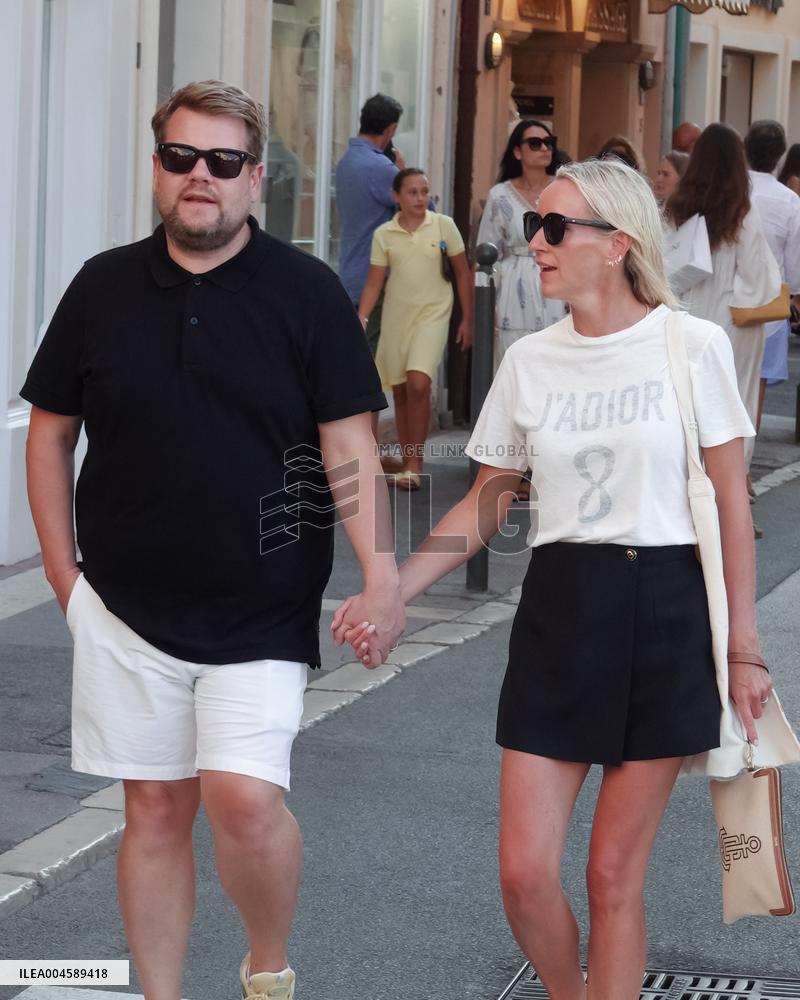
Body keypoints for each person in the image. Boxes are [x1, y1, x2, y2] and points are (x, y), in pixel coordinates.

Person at [335, 157, 771, 999]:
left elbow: (728, 498)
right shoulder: (531, 361)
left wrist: (744, 649)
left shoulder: (692, 346)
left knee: (612, 878)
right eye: (536, 224)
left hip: (665, 609)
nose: (535, 241)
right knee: (524, 875)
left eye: (555, 227)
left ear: (618, 244)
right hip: (560, 610)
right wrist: (392, 592)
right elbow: (489, 499)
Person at [21, 80, 405, 1000]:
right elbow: (50, 433)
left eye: (224, 160)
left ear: (255, 178)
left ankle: (267, 966)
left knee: (244, 801)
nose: (202, 175)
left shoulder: (306, 294)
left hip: (263, 605)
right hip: (124, 609)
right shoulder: (101, 286)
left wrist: (380, 573)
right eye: (181, 156)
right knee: (154, 810)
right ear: (158, 168)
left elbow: (348, 445)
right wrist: (66, 578)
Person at [664, 123, 781, 486]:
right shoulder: (741, 211)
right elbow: (757, 275)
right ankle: (727, 485)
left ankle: (684, 478)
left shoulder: (676, 207)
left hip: (685, 317)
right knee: (732, 405)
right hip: (731, 322)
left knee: (685, 403)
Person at [357, 169, 472, 490]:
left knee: (419, 383)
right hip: (396, 317)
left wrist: (468, 319)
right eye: (413, 192)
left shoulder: (444, 225)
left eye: (424, 191)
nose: (421, 198)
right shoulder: (384, 234)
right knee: (401, 389)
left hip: (434, 313)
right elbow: (374, 283)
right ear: (396, 196)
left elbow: (463, 273)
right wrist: (361, 318)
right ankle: (408, 463)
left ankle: (415, 465)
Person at [476, 119, 566, 368]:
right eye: (535, 143)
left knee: (555, 361)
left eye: (549, 142)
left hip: (556, 286)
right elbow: (486, 253)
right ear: (517, 151)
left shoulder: (565, 190)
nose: (544, 148)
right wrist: (487, 302)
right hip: (511, 291)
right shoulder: (500, 196)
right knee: (513, 363)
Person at [335, 93, 404, 359]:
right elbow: (423, 210)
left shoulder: (346, 162)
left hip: (350, 269)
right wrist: (402, 171)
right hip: (374, 276)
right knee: (371, 355)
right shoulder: (381, 168)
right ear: (391, 129)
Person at [744, 120, 800, 439]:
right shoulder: (790, 201)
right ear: (779, 156)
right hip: (769, 303)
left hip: (727, 296)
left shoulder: (731, 190)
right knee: (758, 383)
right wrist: (795, 294)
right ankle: (746, 455)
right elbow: (795, 262)